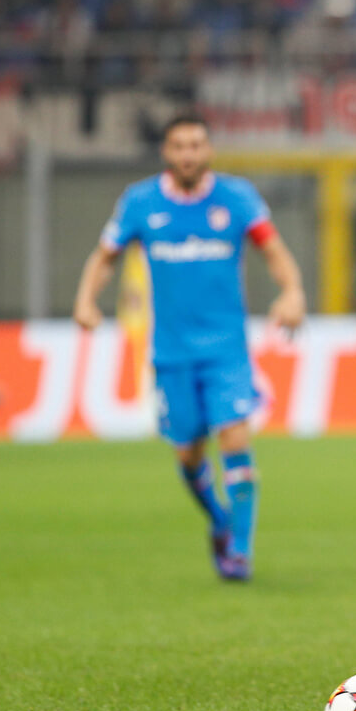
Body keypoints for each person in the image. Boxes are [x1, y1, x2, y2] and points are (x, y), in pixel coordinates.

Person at [73, 114, 306, 582]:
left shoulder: (236, 198)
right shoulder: (141, 202)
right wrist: (85, 299)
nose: (188, 154)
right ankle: (220, 521)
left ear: (209, 150)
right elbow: (106, 257)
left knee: (236, 438)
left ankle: (239, 551)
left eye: (196, 145)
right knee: (188, 456)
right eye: (179, 146)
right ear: (166, 151)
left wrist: (293, 291)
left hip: (227, 350)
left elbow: (274, 250)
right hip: (172, 353)